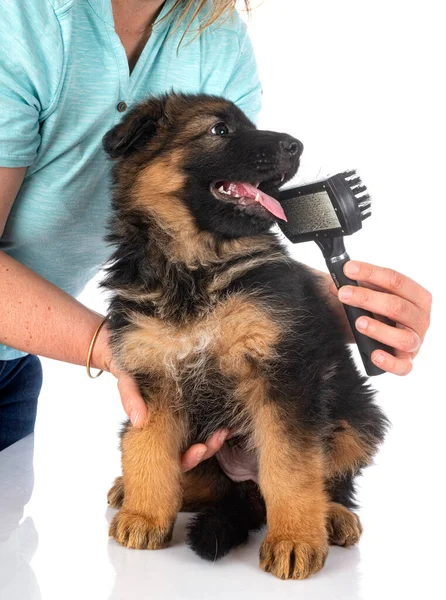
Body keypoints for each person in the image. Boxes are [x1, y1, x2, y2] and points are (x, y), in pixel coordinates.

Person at [0, 1, 432, 465]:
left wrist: (328, 306)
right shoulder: (22, 21)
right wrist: (128, 350)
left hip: (15, 365)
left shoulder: (215, 36)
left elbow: (210, 244)